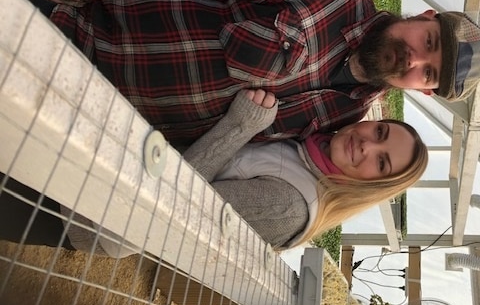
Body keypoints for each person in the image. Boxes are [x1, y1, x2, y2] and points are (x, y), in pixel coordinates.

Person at [15, 0, 480, 149]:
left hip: (87, 127)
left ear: (423, 90)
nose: (414, 61)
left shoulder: (347, 115)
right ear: (425, 15)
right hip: (68, 36)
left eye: (429, 75)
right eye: (430, 43)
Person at [0, 90, 428, 256]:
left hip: (78, 211)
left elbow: (160, 211)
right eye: (380, 130)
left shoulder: (289, 206)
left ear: (372, 185)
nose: (367, 144)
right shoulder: (305, 150)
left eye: (381, 161)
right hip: (91, 169)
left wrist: (240, 125)